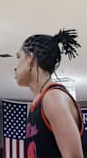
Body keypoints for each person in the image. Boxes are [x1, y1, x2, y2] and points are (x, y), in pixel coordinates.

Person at [14, 29, 83, 158]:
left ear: (30, 57)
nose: (15, 67)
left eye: (18, 57)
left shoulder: (53, 97)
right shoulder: (39, 101)